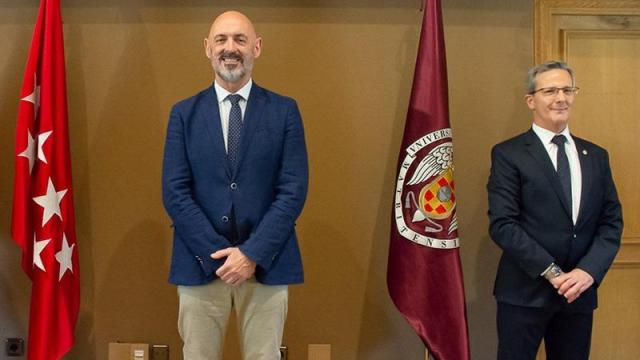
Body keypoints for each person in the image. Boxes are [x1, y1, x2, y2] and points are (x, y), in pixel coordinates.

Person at [161, 10, 308, 360]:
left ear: (256, 47)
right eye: (222, 39)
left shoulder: (285, 111)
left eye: (240, 39)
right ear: (207, 48)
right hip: (200, 263)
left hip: (266, 263)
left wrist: (250, 254)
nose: (231, 48)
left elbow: (293, 190)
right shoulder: (183, 114)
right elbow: (175, 191)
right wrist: (220, 256)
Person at [487, 60, 623, 360]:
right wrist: (553, 272)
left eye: (567, 89)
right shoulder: (508, 154)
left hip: (578, 294)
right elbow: (503, 224)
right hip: (524, 292)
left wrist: (588, 272)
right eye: (550, 90)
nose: (560, 98)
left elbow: (611, 222)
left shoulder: (596, 156)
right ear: (531, 100)